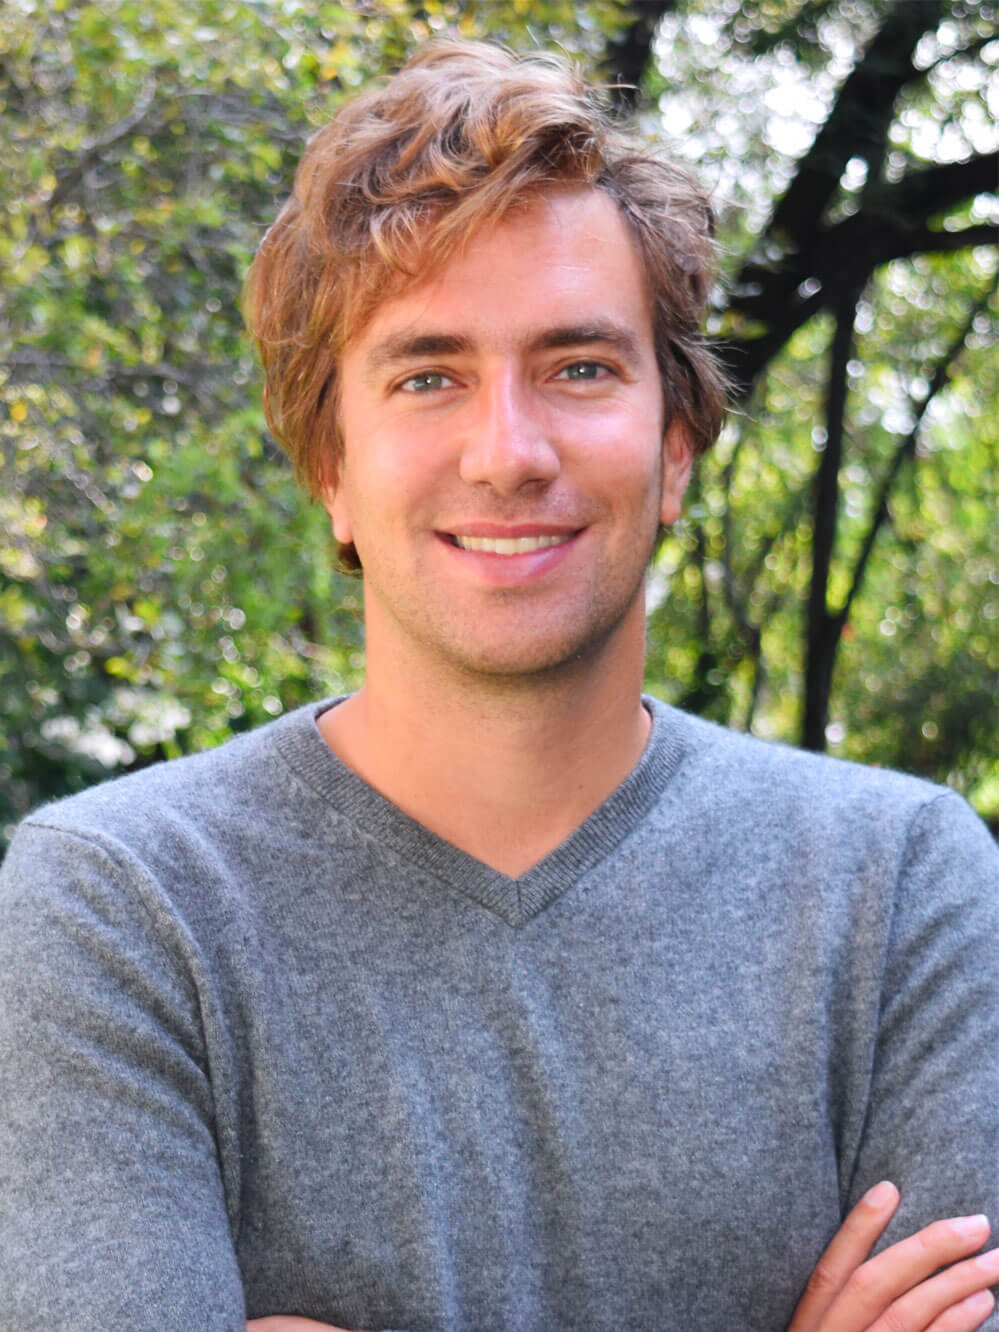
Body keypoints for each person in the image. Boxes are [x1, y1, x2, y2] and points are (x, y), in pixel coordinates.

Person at [0, 38, 997, 1332]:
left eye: (580, 368)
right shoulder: (123, 908)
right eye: (429, 377)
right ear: (330, 467)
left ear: (676, 447)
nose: (509, 452)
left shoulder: (902, 889)